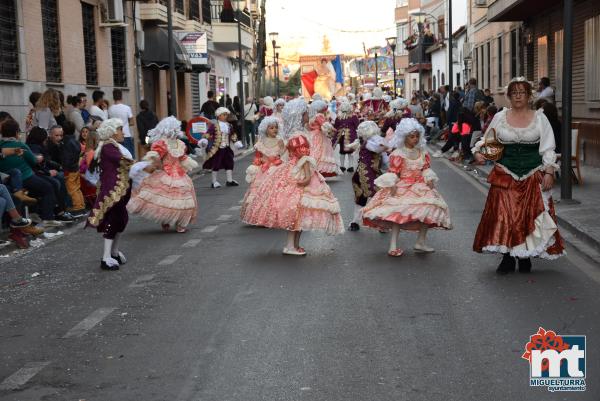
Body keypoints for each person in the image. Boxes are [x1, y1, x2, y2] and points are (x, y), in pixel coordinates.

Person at [472, 77, 565, 274]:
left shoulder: (540, 118)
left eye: (522, 92)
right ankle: (507, 257)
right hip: (506, 173)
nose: (518, 96)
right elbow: (490, 141)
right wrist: (480, 152)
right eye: (514, 93)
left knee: (528, 216)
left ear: (529, 95)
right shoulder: (500, 117)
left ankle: (524, 257)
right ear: (509, 96)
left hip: (532, 174)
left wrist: (549, 171)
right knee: (505, 216)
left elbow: (548, 148)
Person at [241, 130, 344, 255]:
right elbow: (306, 178)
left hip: (295, 194)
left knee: (297, 224)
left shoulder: (291, 163)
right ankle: (291, 247)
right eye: (302, 148)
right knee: (296, 223)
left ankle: (294, 246)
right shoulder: (305, 160)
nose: (304, 150)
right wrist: (302, 183)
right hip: (301, 195)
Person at [363, 118, 452, 256]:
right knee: (398, 213)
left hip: (420, 186)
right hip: (403, 185)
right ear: (404, 137)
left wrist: (429, 178)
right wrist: (392, 184)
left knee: (427, 209)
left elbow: (425, 168)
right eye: (412, 136)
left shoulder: (422, 153)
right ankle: (393, 245)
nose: (415, 139)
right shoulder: (398, 154)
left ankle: (420, 242)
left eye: (417, 136)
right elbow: (393, 172)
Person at [127, 116, 198, 233]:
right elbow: (156, 154)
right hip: (166, 174)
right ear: (168, 129)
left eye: (177, 129)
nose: (175, 131)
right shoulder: (162, 143)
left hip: (180, 174)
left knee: (181, 199)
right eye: (174, 129)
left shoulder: (180, 144)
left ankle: (181, 223)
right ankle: (166, 219)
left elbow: (183, 157)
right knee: (166, 199)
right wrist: (152, 158)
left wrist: (189, 163)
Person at [87, 118, 134, 270]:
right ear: (112, 132)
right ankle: (106, 257)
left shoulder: (113, 145)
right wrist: (142, 165)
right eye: (120, 129)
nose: (123, 132)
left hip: (119, 190)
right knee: (113, 220)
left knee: (121, 219)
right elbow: (122, 161)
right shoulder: (108, 147)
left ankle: (113, 252)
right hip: (112, 191)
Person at [0, 119, 65, 228]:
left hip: (9, 179)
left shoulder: (1, 146)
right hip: (26, 177)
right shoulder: (20, 145)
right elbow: (33, 161)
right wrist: (39, 158)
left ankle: (33, 214)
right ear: (16, 132)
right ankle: (47, 218)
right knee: (48, 187)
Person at [241, 116, 285, 218]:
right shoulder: (261, 143)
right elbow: (257, 157)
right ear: (265, 129)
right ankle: (260, 215)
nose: (275, 129)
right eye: (271, 128)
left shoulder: (280, 141)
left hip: (277, 169)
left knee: (276, 191)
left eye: (276, 127)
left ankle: (275, 215)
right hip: (264, 170)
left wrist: (282, 147)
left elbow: (283, 155)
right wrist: (257, 164)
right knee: (260, 191)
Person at [349, 121, 389, 231]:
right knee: (362, 198)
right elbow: (377, 148)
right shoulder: (367, 143)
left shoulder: (371, 142)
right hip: (363, 174)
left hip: (374, 174)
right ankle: (355, 221)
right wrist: (385, 146)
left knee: (377, 197)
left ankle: (381, 223)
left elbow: (385, 159)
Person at [201, 107, 243, 188]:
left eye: (226, 115)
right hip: (217, 148)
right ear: (219, 116)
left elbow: (233, 134)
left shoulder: (229, 125)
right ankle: (214, 182)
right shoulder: (214, 125)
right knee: (216, 164)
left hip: (227, 147)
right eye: (224, 115)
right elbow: (208, 133)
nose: (226, 116)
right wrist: (204, 140)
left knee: (230, 162)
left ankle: (229, 180)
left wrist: (236, 142)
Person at [307, 100, 340, 177]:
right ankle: (318, 168)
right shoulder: (319, 115)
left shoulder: (312, 116)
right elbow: (324, 125)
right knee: (321, 150)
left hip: (313, 134)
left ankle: (314, 167)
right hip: (319, 135)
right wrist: (333, 129)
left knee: (314, 149)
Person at [60, 121, 86, 216]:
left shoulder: (66, 142)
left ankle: (77, 207)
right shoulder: (75, 141)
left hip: (69, 169)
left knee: (72, 189)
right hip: (76, 167)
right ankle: (81, 205)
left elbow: (66, 158)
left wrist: (65, 169)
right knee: (77, 188)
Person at [333, 101, 360, 172]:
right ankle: (350, 166)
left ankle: (342, 166)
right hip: (351, 136)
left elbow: (335, 126)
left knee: (342, 151)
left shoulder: (339, 117)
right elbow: (357, 126)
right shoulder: (353, 116)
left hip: (341, 136)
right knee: (350, 151)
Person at [108, 89, 135, 158]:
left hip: (115, 136)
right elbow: (132, 122)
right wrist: (125, 124)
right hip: (126, 134)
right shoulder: (127, 108)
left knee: (118, 157)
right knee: (130, 157)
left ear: (113, 97)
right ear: (121, 96)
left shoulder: (110, 109)